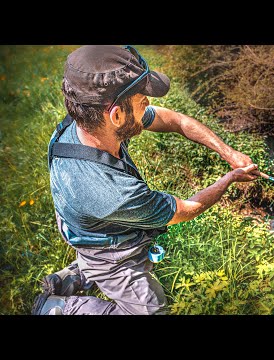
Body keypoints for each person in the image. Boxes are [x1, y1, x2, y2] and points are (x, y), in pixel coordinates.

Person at [32, 45, 259, 315]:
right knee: (151, 310)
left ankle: (79, 273)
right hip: (106, 247)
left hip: (87, 223)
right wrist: (230, 178)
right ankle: (60, 307)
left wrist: (228, 152)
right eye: (143, 102)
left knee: (99, 249)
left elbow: (174, 120)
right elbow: (185, 210)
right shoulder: (113, 193)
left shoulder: (88, 121)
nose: (149, 107)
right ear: (116, 115)